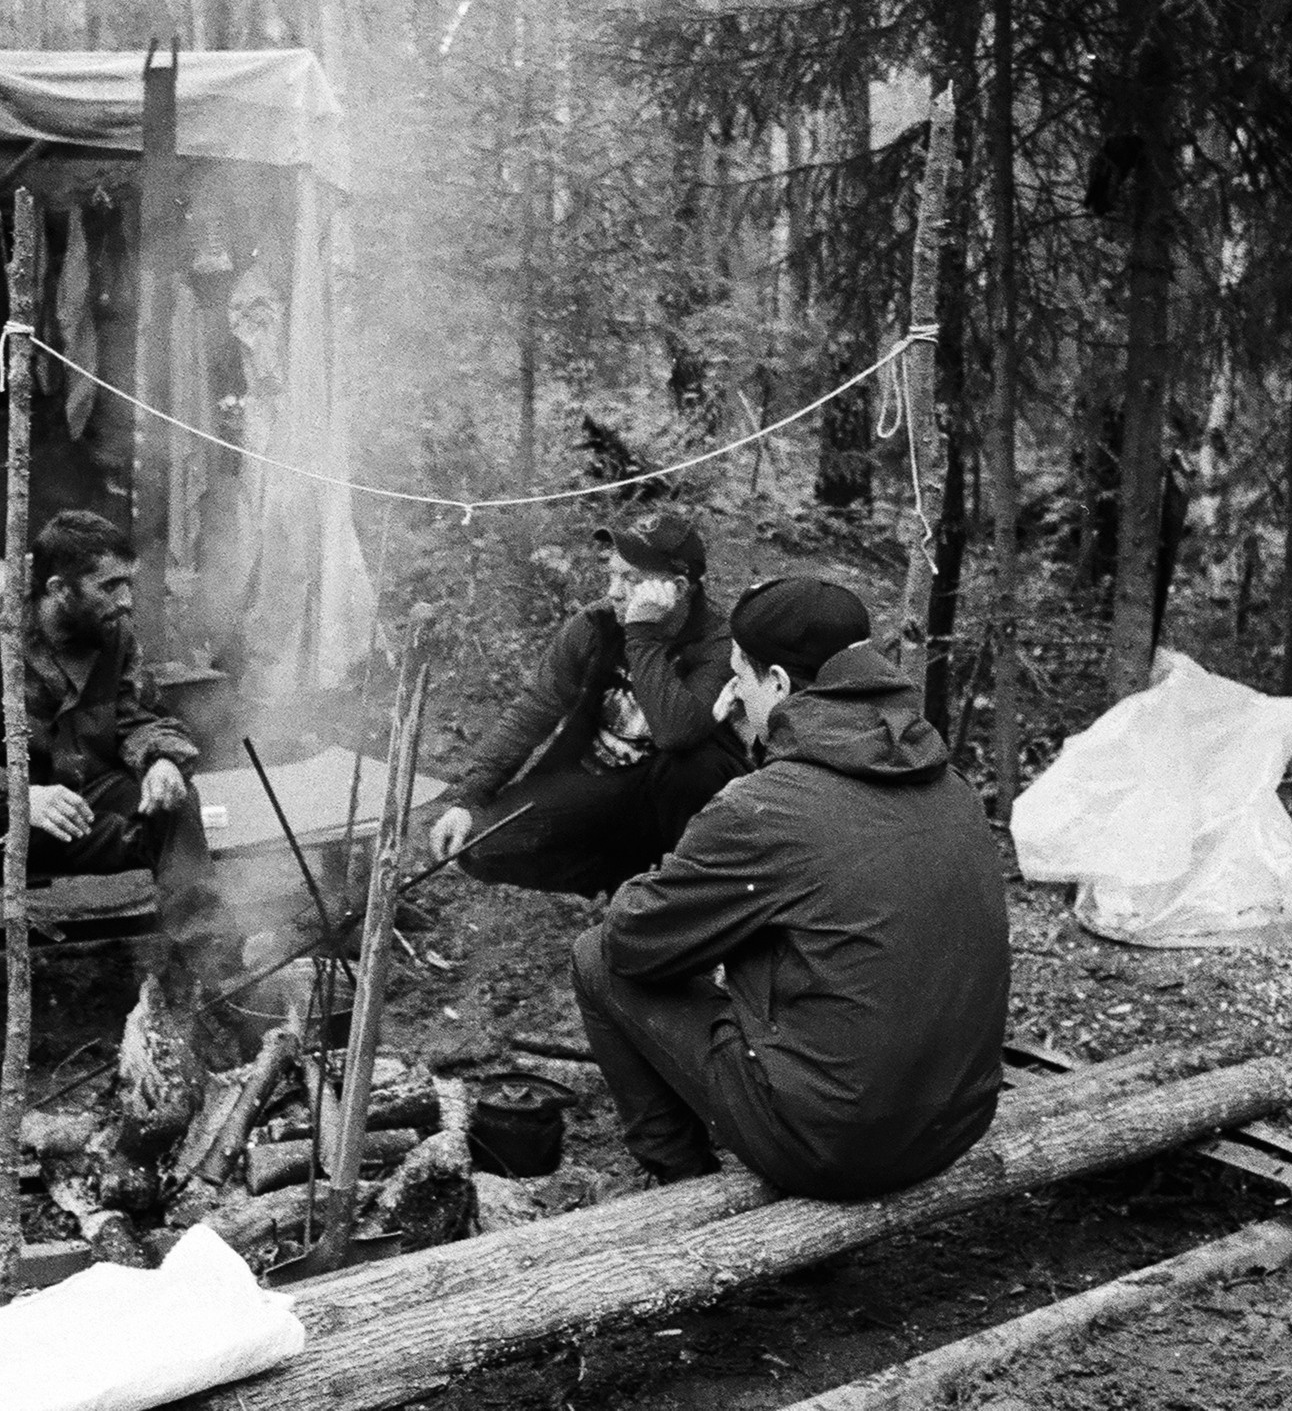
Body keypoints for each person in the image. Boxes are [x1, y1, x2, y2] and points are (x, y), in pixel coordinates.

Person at [569, 576, 1009, 1199]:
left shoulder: (768, 808)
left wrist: (679, 864)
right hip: (957, 1122)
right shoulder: (949, 782)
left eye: (738, 678)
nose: (731, 696)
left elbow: (633, 942)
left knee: (595, 955)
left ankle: (677, 1181)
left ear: (777, 683)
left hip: (835, 1148)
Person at [0, 510, 229, 1133]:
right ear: (57, 589)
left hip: (85, 817)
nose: (126, 601)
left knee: (175, 800)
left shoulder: (114, 636)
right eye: (110, 585)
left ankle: (211, 986)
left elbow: (138, 717)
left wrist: (160, 759)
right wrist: (21, 796)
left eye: (128, 583)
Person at [426, 510, 749, 897]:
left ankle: (684, 892)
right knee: (479, 846)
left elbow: (677, 732)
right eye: (612, 575)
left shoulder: (719, 644)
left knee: (693, 771)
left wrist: (643, 636)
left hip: (665, 793)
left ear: (678, 588)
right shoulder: (596, 625)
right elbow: (535, 708)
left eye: (630, 580)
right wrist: (469, 796)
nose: (614, 591)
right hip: (593, 782)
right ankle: (622, 878)